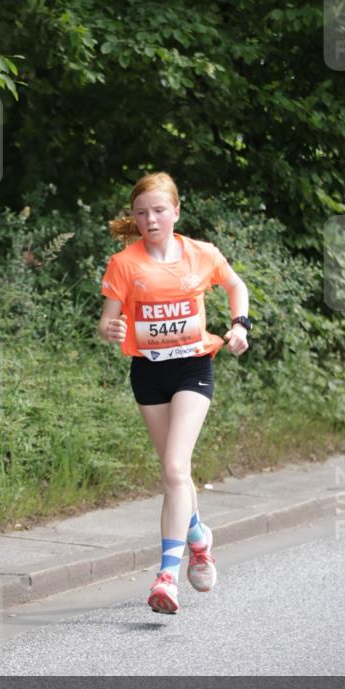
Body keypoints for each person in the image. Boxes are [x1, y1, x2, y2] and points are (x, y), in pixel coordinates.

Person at [97, 172, 251, 614]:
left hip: (193, 370)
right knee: (174, 477)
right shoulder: (124, 263)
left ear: (176, 212)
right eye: (141, 212)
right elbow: (106, 321)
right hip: (148, 374)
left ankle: (167, 575)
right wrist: (109, 328)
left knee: (175, 465)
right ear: (134, 217)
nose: (150, 219)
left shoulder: (201, 254)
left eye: (159, 210)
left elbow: (235, 285)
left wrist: (240, 324)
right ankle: (199, 539)